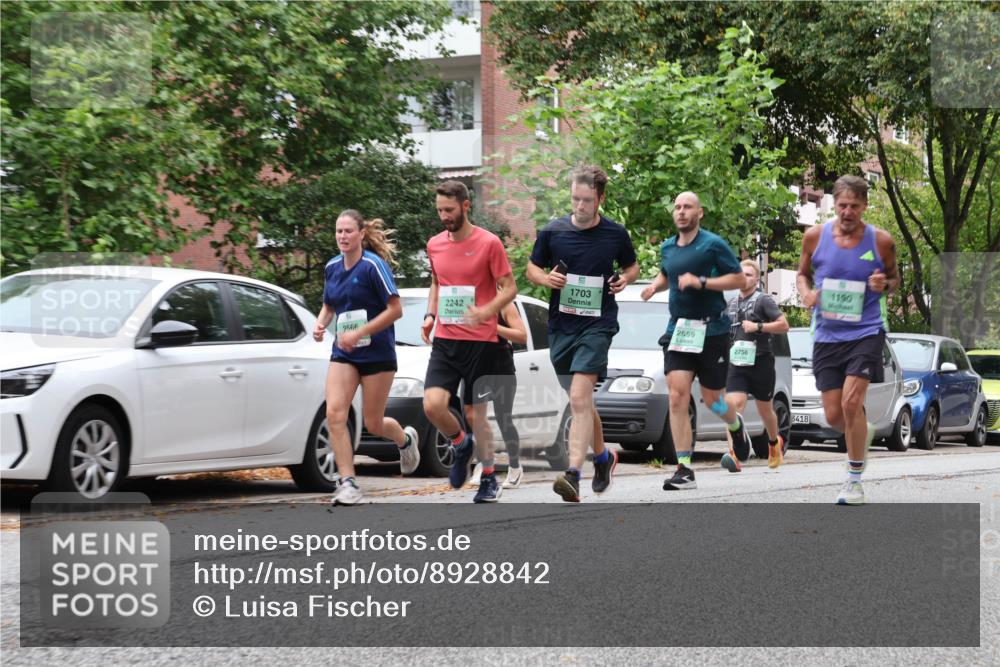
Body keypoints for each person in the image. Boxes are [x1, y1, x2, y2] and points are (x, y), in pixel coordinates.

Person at [526, 165, 639, 502]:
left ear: (600, 199)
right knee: (582, 402)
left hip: (598, 325)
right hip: (562, 328)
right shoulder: (553, 231)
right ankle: (604, 459)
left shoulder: (615, 235)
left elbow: (632, 266)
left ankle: (574, 473)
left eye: (587, 200)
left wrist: (625, 280)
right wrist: (546, 279)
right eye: (575, 198)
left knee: (578, 398)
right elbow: (532, 268)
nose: (579, 205)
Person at [796, 175, 899, 505]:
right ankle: (861, 430)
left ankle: (853, 481)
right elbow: (802, 274)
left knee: (852, 403)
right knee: (834, 415)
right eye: (842, 205)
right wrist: (807, 293)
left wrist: (885, 283)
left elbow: (895, 279)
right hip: (827, 334)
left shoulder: (881, 241)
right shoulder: (814, 236)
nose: (848, 211)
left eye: (855, 206)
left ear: (865, 206)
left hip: (866, 330)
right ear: (833, 205)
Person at [640, 191, 752, 491]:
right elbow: (668, 274)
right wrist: (654, 287)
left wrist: (702, 282)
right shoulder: (667, 248)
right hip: (679, 330)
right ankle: (684, 469)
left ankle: (736, 426)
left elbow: (740, 280)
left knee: (714, 400)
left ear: (699, 213)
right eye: (677, 207)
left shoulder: (713, 245)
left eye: (687, 207)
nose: (681, 211)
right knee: (677, 396)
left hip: (712, 331)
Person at [314, 210, 420, 506]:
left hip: (377, 353)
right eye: (338, 231)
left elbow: (395, 310)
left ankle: (405, 440)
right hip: (344, 353)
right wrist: (321, 323)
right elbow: (329, 305)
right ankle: (348, 482)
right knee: (335, 413)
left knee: (373, 423)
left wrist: (360, 330)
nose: (342, 237)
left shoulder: (374, 266)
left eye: (348, 231)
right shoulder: (332, 267)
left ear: (361, 234)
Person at [421, 180, 517, 503]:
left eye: (449, 210)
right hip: (447, 340)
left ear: (465, 206)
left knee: (476, 414)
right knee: (433, 404)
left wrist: (486, 312)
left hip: (483, 342)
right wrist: (430, 315)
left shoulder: (489, 243)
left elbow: (510, 288)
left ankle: (489, 478)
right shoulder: (434, 245)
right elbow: (436, 280)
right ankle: (461, 443)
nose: (444, 216)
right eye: (439, 210)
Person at [721, 259, 790, 472]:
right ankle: (735, 454)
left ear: (757, 279)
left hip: (761, 360)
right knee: (733, 406)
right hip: (737, 362)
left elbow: (784, 325)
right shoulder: (731, 303)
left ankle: (773, 443)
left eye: (749, 274)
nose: (744, 277)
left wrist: (758, 326)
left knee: (765, 409)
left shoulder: (763, 300)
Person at [469, 301, 527, 489]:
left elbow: (522, 336)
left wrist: (493, 326)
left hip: (501, 367)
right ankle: (484, 464)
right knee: (475, 417)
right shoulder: (470, 299)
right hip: (477, 366)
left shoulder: (504, 304)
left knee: (504, 419)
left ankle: (515, 467)